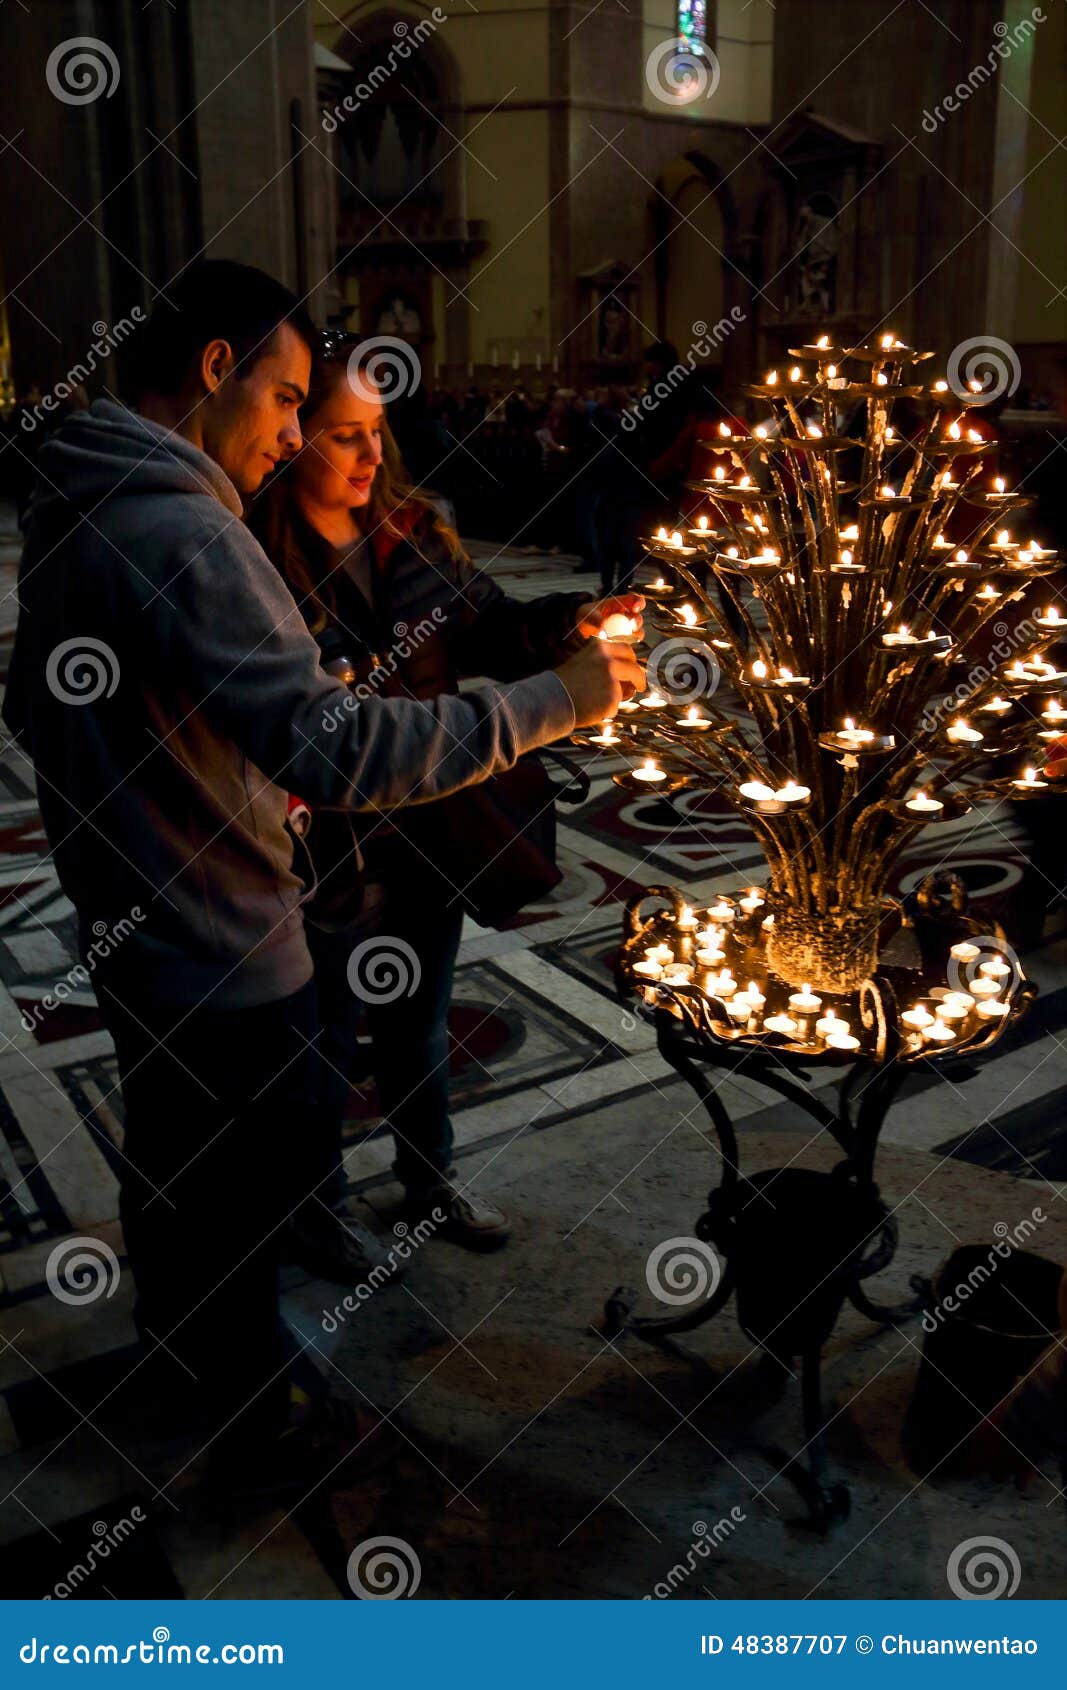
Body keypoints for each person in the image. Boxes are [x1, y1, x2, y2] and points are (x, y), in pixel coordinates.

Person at [2, 261, 642, 1502]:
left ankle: (189, 1366)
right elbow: (336, 749)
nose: (298, 435)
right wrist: (549, 706)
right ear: (212, 370)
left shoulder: (76, 500)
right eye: (291, 399)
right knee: (242, 1210)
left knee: (178, 1185)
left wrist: (163, 783)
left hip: (133, 933)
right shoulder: (188, 528)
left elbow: (40, 704)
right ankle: (255, 1435)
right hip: (225, 943)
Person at [247, 330, 645, 1272]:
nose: (371, 454)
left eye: (377, 431)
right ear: (294, 435)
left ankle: (429, 1183)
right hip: (325, 844)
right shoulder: (257, 556)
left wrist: (565, 625)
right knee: (326, 1042)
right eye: (345, 434)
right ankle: (321, 1207)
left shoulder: (411, 529)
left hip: (429, 825)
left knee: (418, 1022)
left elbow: (487, 629)